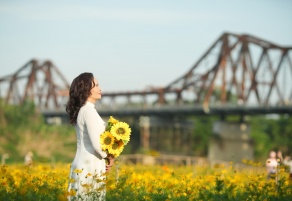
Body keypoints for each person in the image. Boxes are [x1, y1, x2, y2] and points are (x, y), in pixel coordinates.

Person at [66, 72, 114, 200]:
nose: (100, 89)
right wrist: (110, 156)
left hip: (84, 163)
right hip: (89, 166)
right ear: (86, 90)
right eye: (96, 85)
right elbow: (98, 144)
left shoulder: (84, 110)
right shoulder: (89, 111)